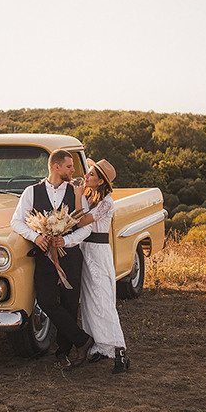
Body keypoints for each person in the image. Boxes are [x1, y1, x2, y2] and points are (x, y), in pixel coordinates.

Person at [10, 149, 94, 367]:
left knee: (69, 304)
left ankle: (63, 353)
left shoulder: (77, 192)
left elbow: (87, 226)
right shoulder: (31, 191)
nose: (73, 170)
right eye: (69, 166)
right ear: (56, 167)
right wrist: (36, 236)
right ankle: (83, 340)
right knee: (46, 301)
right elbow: (17, 222)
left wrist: (66, 240)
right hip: (44, 254)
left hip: (70, 253)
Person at [74, 159, 130, 374]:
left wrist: (78, 196)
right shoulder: (90, 196)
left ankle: (120, 351)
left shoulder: (107, 202)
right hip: (84, 251)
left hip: (98, 252)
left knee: (104, 302)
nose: (86, 177)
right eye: (87, 174)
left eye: (90, 175)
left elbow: (81, 222)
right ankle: (99, 347)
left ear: (100, 181)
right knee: (88, 301)